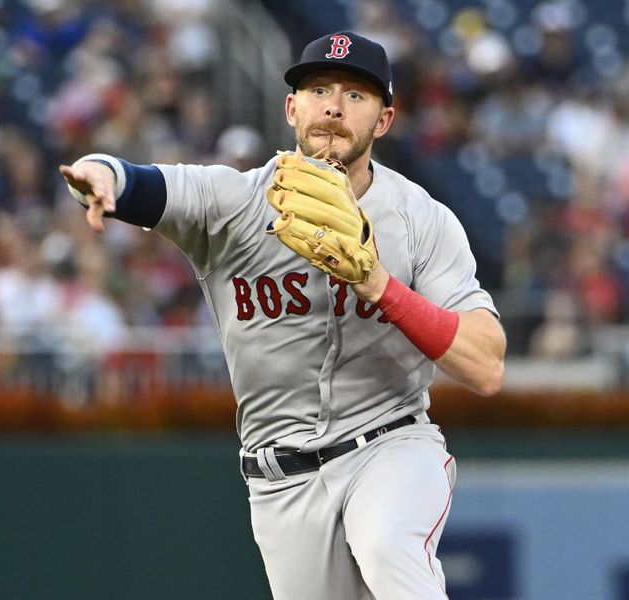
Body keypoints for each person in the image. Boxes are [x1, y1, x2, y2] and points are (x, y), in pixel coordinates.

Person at [60, 31, 506, 600]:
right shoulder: (235, 203)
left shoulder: (422, 220)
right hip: (280, 482)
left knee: (390, 551)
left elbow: (486, 363)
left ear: (385, 118)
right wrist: (100, 177)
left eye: (356, 95)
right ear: (292, 107)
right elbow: (141, 183)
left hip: (389, 446)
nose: (334, 107)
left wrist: (379, 286)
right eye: (318, 89)